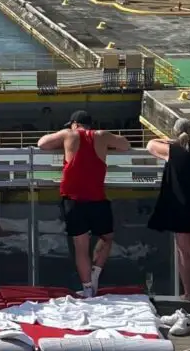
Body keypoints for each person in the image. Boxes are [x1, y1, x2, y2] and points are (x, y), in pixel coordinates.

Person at [37, 111, 130, 297]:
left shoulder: (68, 135)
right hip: (97, 197)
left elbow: (41, 143)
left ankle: (87, 287)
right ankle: (95, 273)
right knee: (107, 237)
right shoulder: (101, 136)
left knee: (81, 246)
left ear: (74, 124)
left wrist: (64, 136)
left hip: (73, 198)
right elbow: (126, 145)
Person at [147, 119, 190, 303]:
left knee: (185, 253)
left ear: (175, 133)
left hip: (181, 207)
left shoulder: (172, 150)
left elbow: (150, 145)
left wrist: (170, 141)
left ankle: (188, 294)